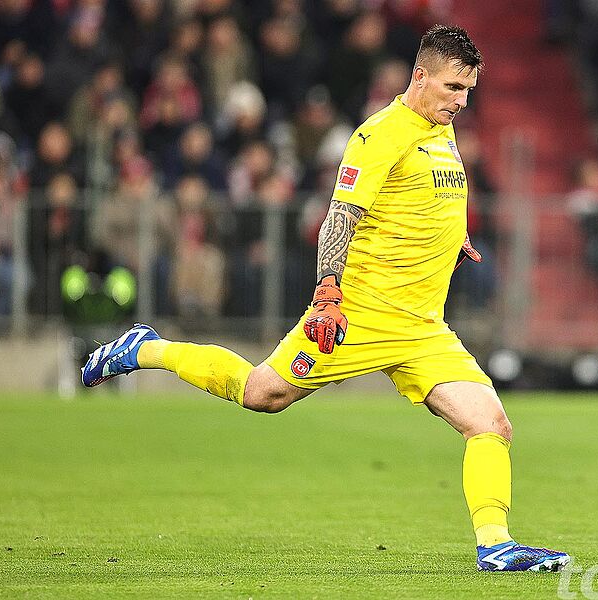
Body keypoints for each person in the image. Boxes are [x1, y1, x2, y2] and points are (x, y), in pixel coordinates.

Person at [81, 24, 570, 573]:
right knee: (261, 394)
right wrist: (328, 293)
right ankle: (147, 348)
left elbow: (419, 199)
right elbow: (340, 217)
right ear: (420, 77)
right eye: (453, 88)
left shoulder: (442, 129)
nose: (461, 101)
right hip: (359, 315)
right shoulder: (380, 134)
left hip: (423, 327)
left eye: (468, 91)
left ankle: (495, 546)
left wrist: (449, 239)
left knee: (491, 424)